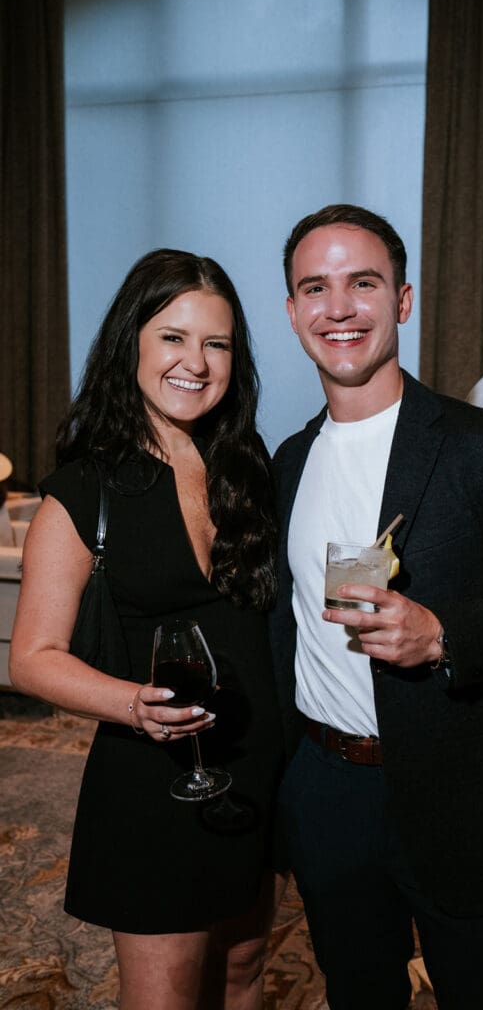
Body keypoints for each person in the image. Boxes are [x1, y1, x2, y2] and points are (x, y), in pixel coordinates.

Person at [269, 204, 483, 1010]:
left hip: (463, 794)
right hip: (327, 791)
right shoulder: (287, 461)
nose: (338, 307)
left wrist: (444, 635)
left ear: (404, 300)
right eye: (315, 287)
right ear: (291, 311)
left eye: (363, 283)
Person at [10, 249, 285, 1010]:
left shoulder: (244, 463)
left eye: (217, 343)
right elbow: (32, 659)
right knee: (163, 997)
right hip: (155, 785)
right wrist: (132, 703)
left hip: (253, 771)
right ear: (131, 341)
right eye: (173, 337)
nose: (196, 362)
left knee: (245, 968)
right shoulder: (83, 490)